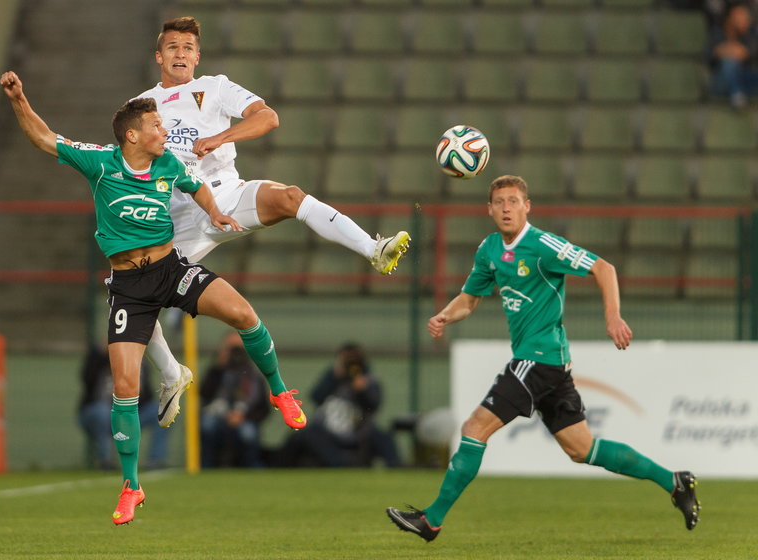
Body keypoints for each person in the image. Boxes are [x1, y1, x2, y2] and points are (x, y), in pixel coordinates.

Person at [0, 70, 306, 525]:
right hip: (128, 288)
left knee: (243, 314)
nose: (167, 131)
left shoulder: (167, 165)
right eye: (158, 126)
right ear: (132, 135)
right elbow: (46, 139)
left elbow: (197, 186)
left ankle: (280, 391)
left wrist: (217, 213)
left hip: (170, 270)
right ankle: (131, 487)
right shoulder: (101, 162)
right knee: (124, 389)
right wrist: (20, 100)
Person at [132, 16, 411, 431]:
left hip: (225, 193)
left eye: (188, 47)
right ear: (159, 56)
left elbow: (268, 118)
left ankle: (373, 249)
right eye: (173, 47)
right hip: (176, 216)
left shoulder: (216, 87)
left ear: (197, 56)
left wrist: (219, 139)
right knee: (133, 294)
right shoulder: (143, 105)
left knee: (290, 197)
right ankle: (172, 374)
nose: (181, 54)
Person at [386, 175, 700, 542]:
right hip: (549, 364)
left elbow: (604, 268)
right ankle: (675, 482)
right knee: (582, 449)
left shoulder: (543, 245)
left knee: (474, 428)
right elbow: (470, 299)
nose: (507, 208)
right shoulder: (489, 249)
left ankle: (432, 520)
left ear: (527, 206)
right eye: (500, 202)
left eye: (514, 201)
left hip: (538, 359)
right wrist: (444, 315)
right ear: (489, 210)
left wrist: (613, 316)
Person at [281, 343, 402, 468]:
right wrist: (333, 378)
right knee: (306, 433)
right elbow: (316, 397)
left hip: (358, 430)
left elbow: (373, 406)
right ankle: (341, 464)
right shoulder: (332, 376)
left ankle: (396, 466)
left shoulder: (368, 379)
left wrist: (362, 391)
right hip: (327, 430)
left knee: (382, 436)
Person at [78, 344, 170, 470]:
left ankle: (155, 461)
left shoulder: (138, 361)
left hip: (129, 413)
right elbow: (87, 380)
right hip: (100, 412)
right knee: (102, 411)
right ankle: (105, 462)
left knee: (160, 410)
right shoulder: (99, 357)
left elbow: (146, 395)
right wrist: (102, 354)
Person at [200, 331, 270, 468]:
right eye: (232, 349)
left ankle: (253, 467)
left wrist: (244, 416)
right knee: (207, 425)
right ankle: (205, 467)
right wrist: (218, 366)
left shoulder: (253, 376)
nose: (236, 354)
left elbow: (264, 409)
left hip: (245, 418)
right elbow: (204, 394)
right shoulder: (217, 371)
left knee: (248, 433)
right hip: (217, 416)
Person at [708, 2, 758, 109]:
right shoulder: (717, 33)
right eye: (741, 15)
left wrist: (725, 50)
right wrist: (726, 52)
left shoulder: (749, 34)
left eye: (746, 15)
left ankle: (738, 93)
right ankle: (737, 95)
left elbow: (747, 53)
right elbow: (710, 55)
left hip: (744, 79)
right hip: (721, 83)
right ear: (730, 17)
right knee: (729, 62)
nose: (745, 18)